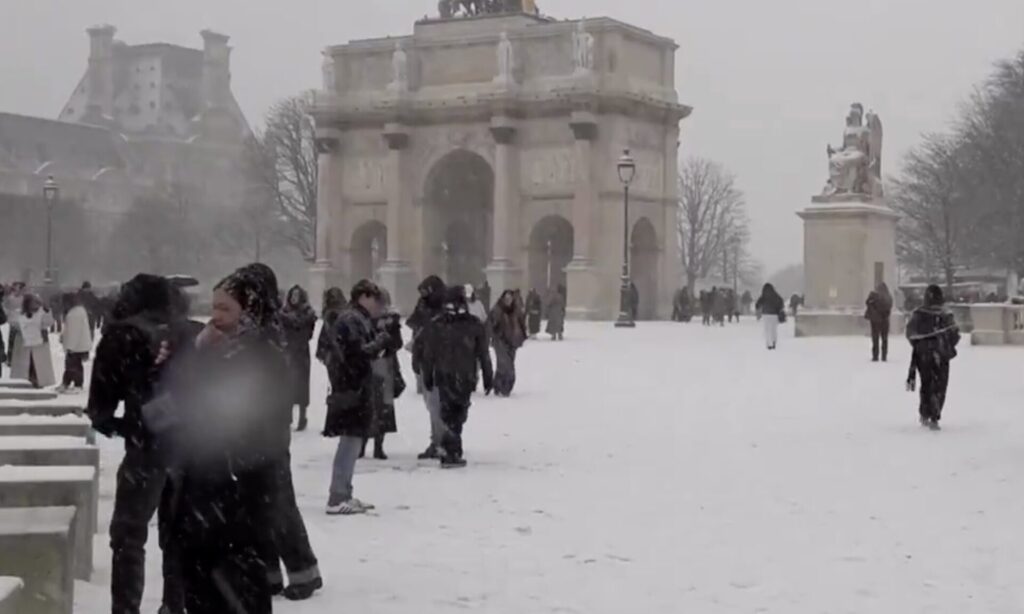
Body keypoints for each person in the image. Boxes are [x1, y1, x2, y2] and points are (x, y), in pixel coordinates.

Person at [165, 270, 295, 612]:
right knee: (205, 583)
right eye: (214, 307)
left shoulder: (260, 356)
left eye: (225, 309)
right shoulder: (210, 350)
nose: (216, 317)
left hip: (239, 492)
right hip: (205, 492)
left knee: (237, 587)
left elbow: (242, 421)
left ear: (248, 311)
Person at [86, 274, 193, 614]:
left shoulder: (121, 335)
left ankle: (126, 607)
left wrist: (128, 424)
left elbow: (100, 411)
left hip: (146, 449)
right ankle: (175, 603)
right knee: (179, 533)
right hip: (192, 446)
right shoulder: (191, 332)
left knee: (128, 536)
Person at [322, 279, 390, 515]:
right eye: (376, 299)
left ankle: (344, 492)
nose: (378, 305)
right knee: (350, 441)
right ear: (364, 297)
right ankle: (338, 495)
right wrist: (379, 342)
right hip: (352, 387)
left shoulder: (356, 318)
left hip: (354, 386)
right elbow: (358, 353)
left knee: (353, 441)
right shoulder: (352, 319)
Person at [420, 286, 494, 468]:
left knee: (452, 412)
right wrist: (487, 374)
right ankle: (451, 450)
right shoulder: (468, 325)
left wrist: (428, 374)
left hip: (450, 374)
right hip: (460, 374)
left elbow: (429, 354)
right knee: (455, 412)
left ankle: (451, 448)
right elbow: (482, 353)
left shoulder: (440, 325)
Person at [906, 284, 960, 430]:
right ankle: (935, 414)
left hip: (923, 354)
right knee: (940, 385)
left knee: (926, 384)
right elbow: (955, 335)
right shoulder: (946, 315)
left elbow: (910, 334)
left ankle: (925, 412)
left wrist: (919, 346)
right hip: (941, 354)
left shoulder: (918, 314)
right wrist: (946, 345)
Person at [407, 275, 448, 460]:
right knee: (432, 405)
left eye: (425, 291)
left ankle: (441, 441)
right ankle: (438, 439)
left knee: (437, 404)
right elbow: (415, 325)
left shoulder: (441, 310)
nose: (422, 295)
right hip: (425, 359)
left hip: (439, 362)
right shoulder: (425, 306)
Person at [363, 289, 405, 460]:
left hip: (384, 366)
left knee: (382, 408)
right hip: (368, 366)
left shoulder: (390, 320)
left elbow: (397, 343)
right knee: (367, 406)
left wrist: (388, 337)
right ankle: (363, 444)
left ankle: (378, 445)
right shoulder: (363, 319)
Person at [281, 285, 318, 432]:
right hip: (288, 351)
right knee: (288, 385)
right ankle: (288, 417)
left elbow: (307, 332)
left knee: (301, 386)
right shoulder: (284, 312)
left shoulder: (307, 314)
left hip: (301, 352)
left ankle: (303, 417)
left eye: (297, 295)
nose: (294, 298)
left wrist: (295, 328)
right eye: (292, 295)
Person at [10, 294, 56, 389]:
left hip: (39, 345)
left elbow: (48, 323)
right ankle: (24, 382)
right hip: (23, 345)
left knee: (37, 365)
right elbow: (13, 323)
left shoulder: (42, 313)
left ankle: (37, 381)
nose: (35, 306)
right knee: (25, 366)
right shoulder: (18, 314)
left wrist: (47, 312)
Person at [489, 290, 526, 397]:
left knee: (505, 364)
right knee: (506, 365)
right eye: (506, 299)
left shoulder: (516, 310)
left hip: (513, 341)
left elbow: (522, 324)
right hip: (500, 340)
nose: (508, 301)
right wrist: (493, 334)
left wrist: (523, 335)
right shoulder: (497, 310)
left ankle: (498, 384)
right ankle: (506, 387)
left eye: (510, 299)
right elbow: (491, 324)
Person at [58, 291, 93, 393]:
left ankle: (76, 384)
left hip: (76, 346)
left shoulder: (74, 314)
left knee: (73, 366)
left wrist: (70, 347)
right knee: (74, 365)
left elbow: (74, 332)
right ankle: (67, 383)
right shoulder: (78, 311)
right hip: (80, 344)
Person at [865, 282, 894, 362]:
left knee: (875, 338)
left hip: (875, 320)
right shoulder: (888, 297)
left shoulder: (874, 296)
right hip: (884, 320)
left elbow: (867, 303)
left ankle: (875, 356)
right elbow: (889, 307)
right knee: (884, 339)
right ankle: (884, 356)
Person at [755, 283, 786, 350]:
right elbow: (781, 302)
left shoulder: (763, 296)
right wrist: (778, 309)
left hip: (766, 314)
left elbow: (757, 304)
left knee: (767, 330)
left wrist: (759, 308)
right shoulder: (775, 295)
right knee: (773, 329)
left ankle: (769, 344)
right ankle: (774, 341)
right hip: (774, 315)